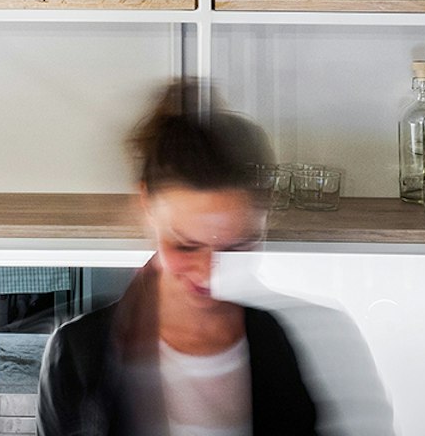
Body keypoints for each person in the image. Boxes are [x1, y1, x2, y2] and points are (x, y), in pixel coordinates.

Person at [37, 82, 320, 436]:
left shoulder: (284, 344)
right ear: (147, 207)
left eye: (236, 247)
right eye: (186, 245)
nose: (208, 271)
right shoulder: (78, 356)